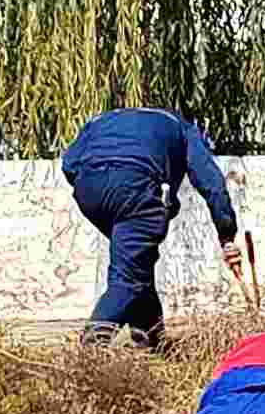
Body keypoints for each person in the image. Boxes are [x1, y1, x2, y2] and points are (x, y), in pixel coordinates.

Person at [62, 106, 251, 349]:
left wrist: (95, 186)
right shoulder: (182, 129)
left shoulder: (102, 120)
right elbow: (211, 183)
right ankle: (93, 345)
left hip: (89, 190)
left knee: (136, 265)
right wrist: (226, 234)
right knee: (128, 277)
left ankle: (151, 339)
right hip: (137, 189)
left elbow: (69, 163)